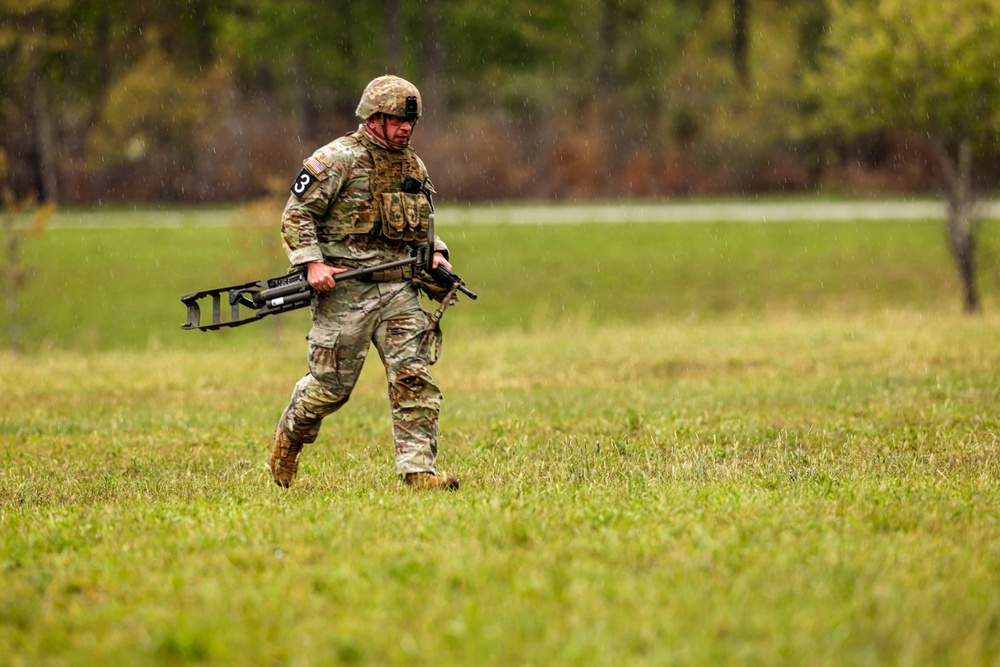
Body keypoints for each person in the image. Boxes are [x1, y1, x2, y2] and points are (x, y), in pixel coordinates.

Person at [269, 75, 459, 491]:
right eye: (396, 119)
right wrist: (311, 264)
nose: (406, 128)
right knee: (330, 388)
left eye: (411, 121)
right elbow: (296, 215)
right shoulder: (337, 158)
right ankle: (289, 438)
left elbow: (422, 226)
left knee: (414, 378)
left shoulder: (413, 165)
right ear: (373, 117)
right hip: (344, 291)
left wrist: (438, 254)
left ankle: (417, 472)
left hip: (398, 290)